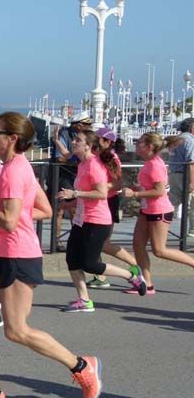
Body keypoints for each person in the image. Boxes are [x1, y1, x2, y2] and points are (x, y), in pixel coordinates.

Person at [0, 112, 103, 398]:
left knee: (16, 330)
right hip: (1, 252)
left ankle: (81, 366)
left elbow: (11, 222)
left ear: (12, 138)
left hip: (19, 255)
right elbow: (43, 210)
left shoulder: (14, 172)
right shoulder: (16, 167)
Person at [57, 130, 146, 312]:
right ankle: (84, 300)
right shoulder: (83, 164)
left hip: (97, 221)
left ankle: (131, 276)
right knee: (72, 260)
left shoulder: (94, 165)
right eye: (74, 139)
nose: (73, 142)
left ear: (88, 146)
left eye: (78, 140)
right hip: (81, 219)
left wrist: (74, 193)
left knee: (90, 264)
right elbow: (86, 193)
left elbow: (102, 193)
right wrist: (70, 202)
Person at [122, 132, 194, 291]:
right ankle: (147, 283)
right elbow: (150, 186)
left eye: (139, 142)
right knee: (138, 245)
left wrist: (135, 194)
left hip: (159, 211)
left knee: (159, 250)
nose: (136, 144)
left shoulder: (155, 164)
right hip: (146, 209)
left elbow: (160, 191)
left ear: (149, 146)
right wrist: (138, 188)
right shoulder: (149, 162)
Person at [85, 128, 138, 289]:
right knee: (93, 242)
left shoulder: (111, 158)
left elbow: (117, 183)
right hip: (94, 202)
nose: (95, 141)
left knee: (103, 244)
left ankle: (135, 265)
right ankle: (100, 277)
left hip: (107, 201)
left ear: (107, 142)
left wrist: (98, 186)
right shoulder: (94, 156)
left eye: (98, 139)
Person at [168, 118, 194, 217]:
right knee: (190, 205)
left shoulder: (176, 140)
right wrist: (192, 182)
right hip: (185, 176)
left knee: (172, 204)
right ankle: (190, 227)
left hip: (173, 174)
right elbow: (190, 162)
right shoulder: (190, 141)